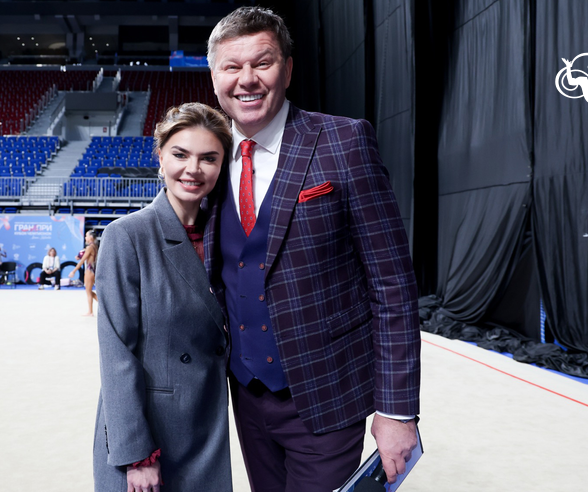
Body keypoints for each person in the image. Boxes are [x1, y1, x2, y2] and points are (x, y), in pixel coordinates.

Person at [204, 7, 421, 491]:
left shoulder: (344, 141)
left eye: (262, 62)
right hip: (245, 395)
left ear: (288, 67)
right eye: (231, 67)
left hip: (327, 396)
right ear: (214, 76)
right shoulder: (208, 158)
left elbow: (392, 283)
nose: (247, 80)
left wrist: (397, 410)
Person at [93, 103, 232, 492]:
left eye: (209, 158)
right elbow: (116, 352)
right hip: (150, 436)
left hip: (207, 426)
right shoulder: (128, 235)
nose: (193, 169)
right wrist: (137, 454)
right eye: (180, 154)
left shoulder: (228, 237)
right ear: (160, 157)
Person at [69, 230, 98, 316]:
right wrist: (79, 256)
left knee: (88, 292)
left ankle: (91, 311)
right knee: (88, 291)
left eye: (86, 236)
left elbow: (82, 261)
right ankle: (93, 309)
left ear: (91, 237)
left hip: (90, 270)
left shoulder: (90, 248)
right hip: (92, 269)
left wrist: (73, 271)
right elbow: (83, 256)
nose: (85, 238)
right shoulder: (94, 246)